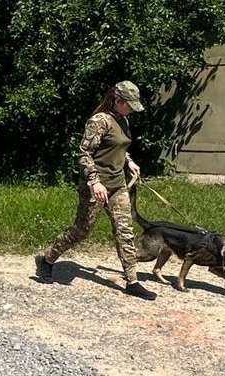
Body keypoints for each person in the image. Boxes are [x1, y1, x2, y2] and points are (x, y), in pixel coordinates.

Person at [34, 80, 157, 301]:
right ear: (117, 100)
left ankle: (132, 281)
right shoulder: (100, 121)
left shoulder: (124, 119)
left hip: (118, 185)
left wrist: (129, 161)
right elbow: (85, 153)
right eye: (128, 104)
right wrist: (94, 181)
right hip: (96, 186)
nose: (131, 108)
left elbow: (118, 147)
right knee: (82, 230)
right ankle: (47, 259)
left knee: (125, 232)